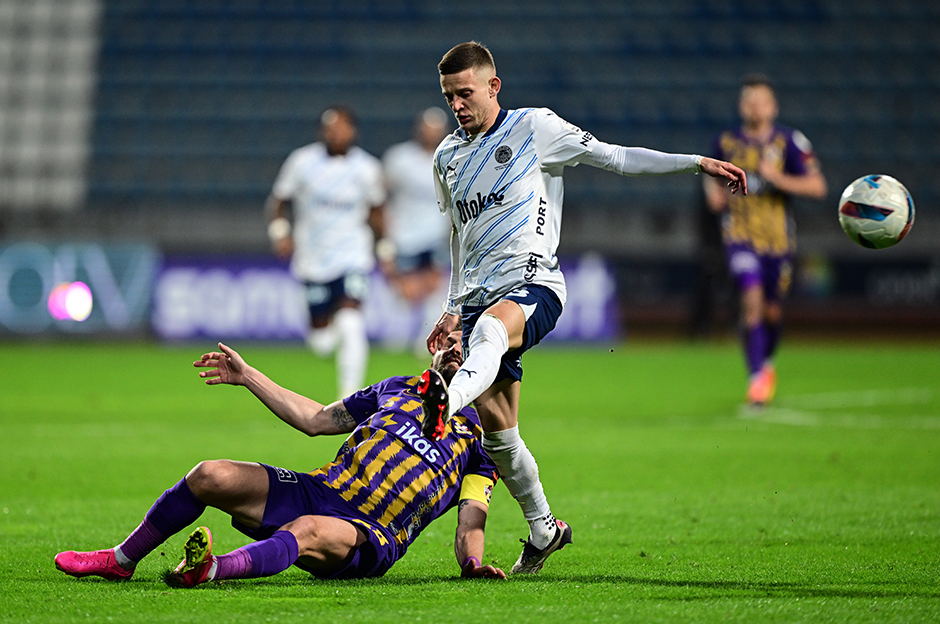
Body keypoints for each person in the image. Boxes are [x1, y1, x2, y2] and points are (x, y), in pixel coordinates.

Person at [415, 41, 748, 574]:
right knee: (501, 438)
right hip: (477, 300)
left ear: (493, 87)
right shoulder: (446, 158)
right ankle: (545, 528)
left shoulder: (533, 128)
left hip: (534, 286)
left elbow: (616, 157)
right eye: (449, 96)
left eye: (465, 93)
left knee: (489, 339)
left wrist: (695, 163)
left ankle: (443, 403)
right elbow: (458, 235)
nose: (457, 105)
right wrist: (454, 305)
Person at [54, 333, 506, 586]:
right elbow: (316, 418)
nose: (455, 348)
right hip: (322, 490)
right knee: (210, 474)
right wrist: (249, 376)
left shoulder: (482, 444)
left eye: (466, 344)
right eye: (449, 339)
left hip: (371, 533)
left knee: (305, 531)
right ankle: (121, 559)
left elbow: (472, 521)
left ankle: (211, 569)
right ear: (434, 347)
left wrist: (472, 564)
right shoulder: (399, 388)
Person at [703, 74, 827, 407]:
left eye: (760, 101)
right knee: (752, 299)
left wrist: (778, 179)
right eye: (748, 100)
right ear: (741, 106)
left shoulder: (790, 142)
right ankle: (756, 379)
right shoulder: (726, 143)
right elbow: (711, 184)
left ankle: (766, 364)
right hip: (740, 238)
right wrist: (714, 194)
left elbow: (817, 187)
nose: (753, 107)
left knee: (772, 312)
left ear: (773, 107)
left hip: (778, 241)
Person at [266, 106, 386, 399]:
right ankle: (326, 330)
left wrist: (385, 248)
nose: (336, 134)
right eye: (330, 129)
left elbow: (377, 211)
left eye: (342, 128)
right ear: (322, 132)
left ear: (353, 131)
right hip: (313, 260)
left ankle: (350, 397)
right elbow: (279, 200)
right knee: (321, 343)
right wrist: (280, 232)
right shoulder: (302, 162)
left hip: (352, 257)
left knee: (352, 322)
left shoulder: (367, 168)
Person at [379, 107, 453, 354]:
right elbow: (381, 195)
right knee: (406, 292)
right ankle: (397, 337)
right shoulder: (399, 159)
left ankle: (426, 339)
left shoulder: (451, 158)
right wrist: (386, 236)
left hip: (436, 235)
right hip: (405, 236)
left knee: (434, 288)